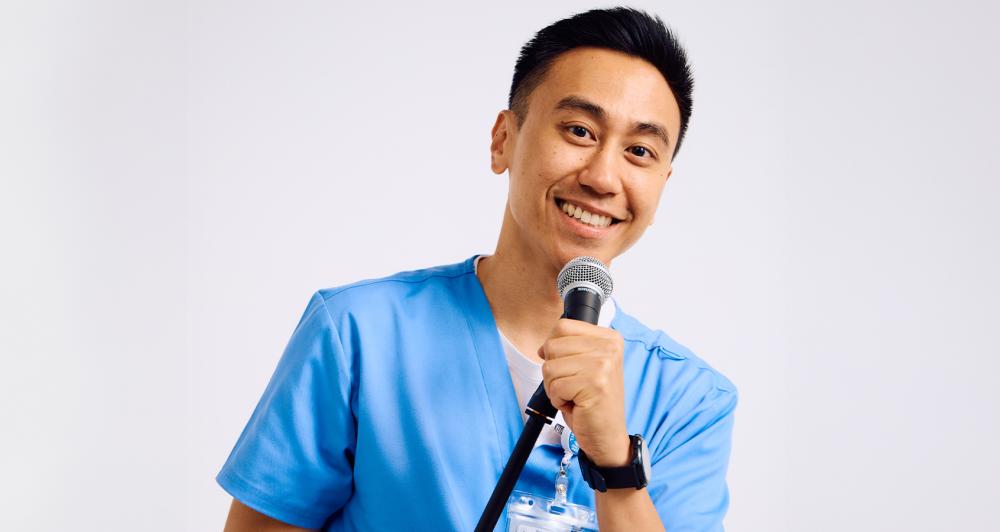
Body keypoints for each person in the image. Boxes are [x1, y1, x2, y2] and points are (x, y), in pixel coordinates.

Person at [218, 7, 737, 531]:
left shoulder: (690, 402)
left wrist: (616, 462)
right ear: (503, 139)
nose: (603, 178)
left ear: (662, 184)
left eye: (640, 151)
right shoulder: (359, 335)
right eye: (579, 131)